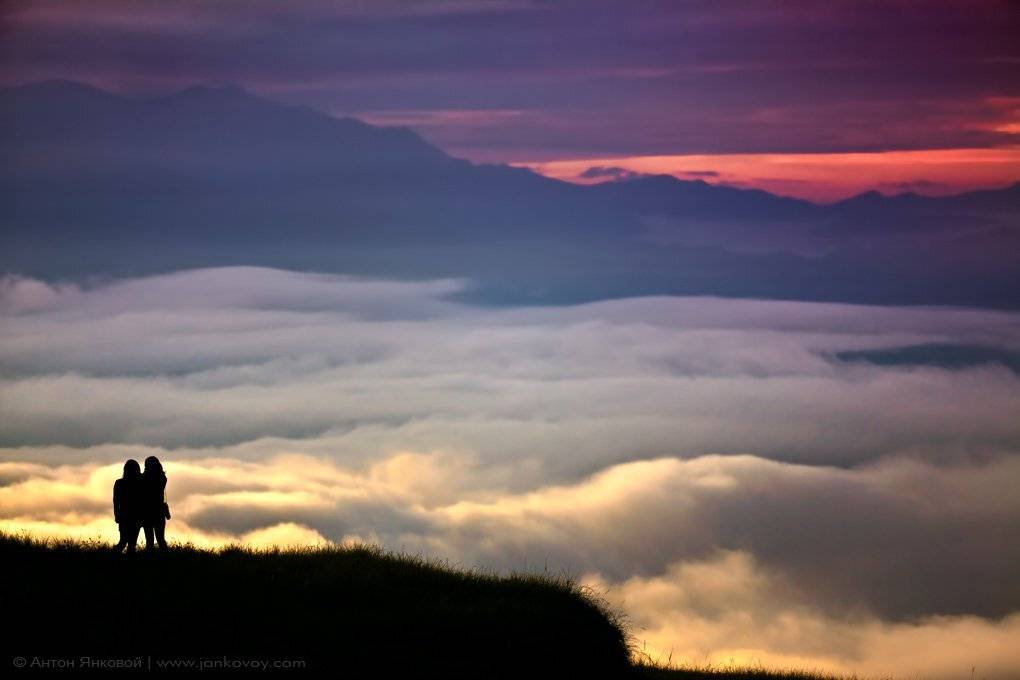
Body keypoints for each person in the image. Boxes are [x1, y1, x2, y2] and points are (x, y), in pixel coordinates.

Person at [113, 459, 143, 553]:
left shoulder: (119, 483)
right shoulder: (140, 483)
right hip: (135, 516)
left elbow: (115, 501)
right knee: (131, 544)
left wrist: (117, 515)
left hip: (124, 516)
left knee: (123, 541)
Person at [141, 455, 170, 551]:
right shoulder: (162, 478)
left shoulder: (144, 478)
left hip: (147, 511)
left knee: (149, 541)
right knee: (161, 539)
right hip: (159, 511)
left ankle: (150, 560)